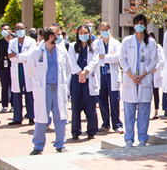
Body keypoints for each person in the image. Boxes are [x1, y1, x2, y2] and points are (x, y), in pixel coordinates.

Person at [26, 26, 71, 155]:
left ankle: (60, 144)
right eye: (58, 34)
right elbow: (31, 70)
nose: (60, 36)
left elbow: (68, 69)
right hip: (44, 88)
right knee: (41, 118)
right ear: (51, 37)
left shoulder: (62, 51)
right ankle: (38, 146)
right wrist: (41, 81)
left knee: (60, 116)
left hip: (58, 87)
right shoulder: (37, 52)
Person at [120, 14, 158, 147]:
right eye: (137, 23)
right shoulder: (127, 41)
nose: (139, 25)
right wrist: (131, 75)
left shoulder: (151, 42)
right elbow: (122, 60)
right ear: (134, 25)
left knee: (143, 113)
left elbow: (153, 61)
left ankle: (142, 138)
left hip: (144, 79)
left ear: (145, 25)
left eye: (142, 23)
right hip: (130, 79)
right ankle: (129, 139)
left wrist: (142, 75)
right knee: (129, 113)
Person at [68, 25, 99, 140]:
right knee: (75, 106)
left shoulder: (93, 47)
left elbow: (94, 62)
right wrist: (80, 73)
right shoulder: (72, 46)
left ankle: (91, 131)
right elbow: (71, 61)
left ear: (89, 34)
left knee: (90, 106)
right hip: (76, 79)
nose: (83, 35)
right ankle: (76, 131)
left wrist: (85, 72)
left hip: (89, 77)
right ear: (77, 34)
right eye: (81, 33)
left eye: (85, 32)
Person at [94, 22, 123, 133]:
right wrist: (108, 57)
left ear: (110, 30)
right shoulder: (96, 43)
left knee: (114, 101)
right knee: (102, 100)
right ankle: (105, 124)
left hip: (112, 75)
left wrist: (103, 56)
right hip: (101, 75)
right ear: (99, 30)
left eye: (107, 29)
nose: (105, 31)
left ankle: (117, 124)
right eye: (102, 29)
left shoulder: (116, 43)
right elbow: (95, 58)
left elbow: (117, 57)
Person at [7, 23, 36, 125]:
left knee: (29, 94)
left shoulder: (31, 41)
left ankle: (31, 116)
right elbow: (11, 57)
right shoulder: (12, 42)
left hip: (27, 71)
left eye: (22, 29)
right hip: (16, 70)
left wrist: (17, 55)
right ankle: (17, 118)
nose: (20, 31)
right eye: (18, 29)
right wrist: (21, 57)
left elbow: (30, 55)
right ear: (15, 31)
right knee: (16, 94)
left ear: (26, 30)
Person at [0, 23, 13, 113]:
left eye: (6, 29)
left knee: (13, 87)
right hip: (2, 67)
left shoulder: (14, 42)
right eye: (2, 30)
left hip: (13, 67)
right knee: (4, 86)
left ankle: (13, 105)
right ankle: (4, 105)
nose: (4, 31)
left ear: (10, 31)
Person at [151, 34, 165, 119]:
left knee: (155, 92)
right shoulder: (145, 46)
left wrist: (155, 68)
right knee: (147, 93)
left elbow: (161, 60)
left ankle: (156, 111)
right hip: (147, 73)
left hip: (155, 72)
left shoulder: (158, 47)